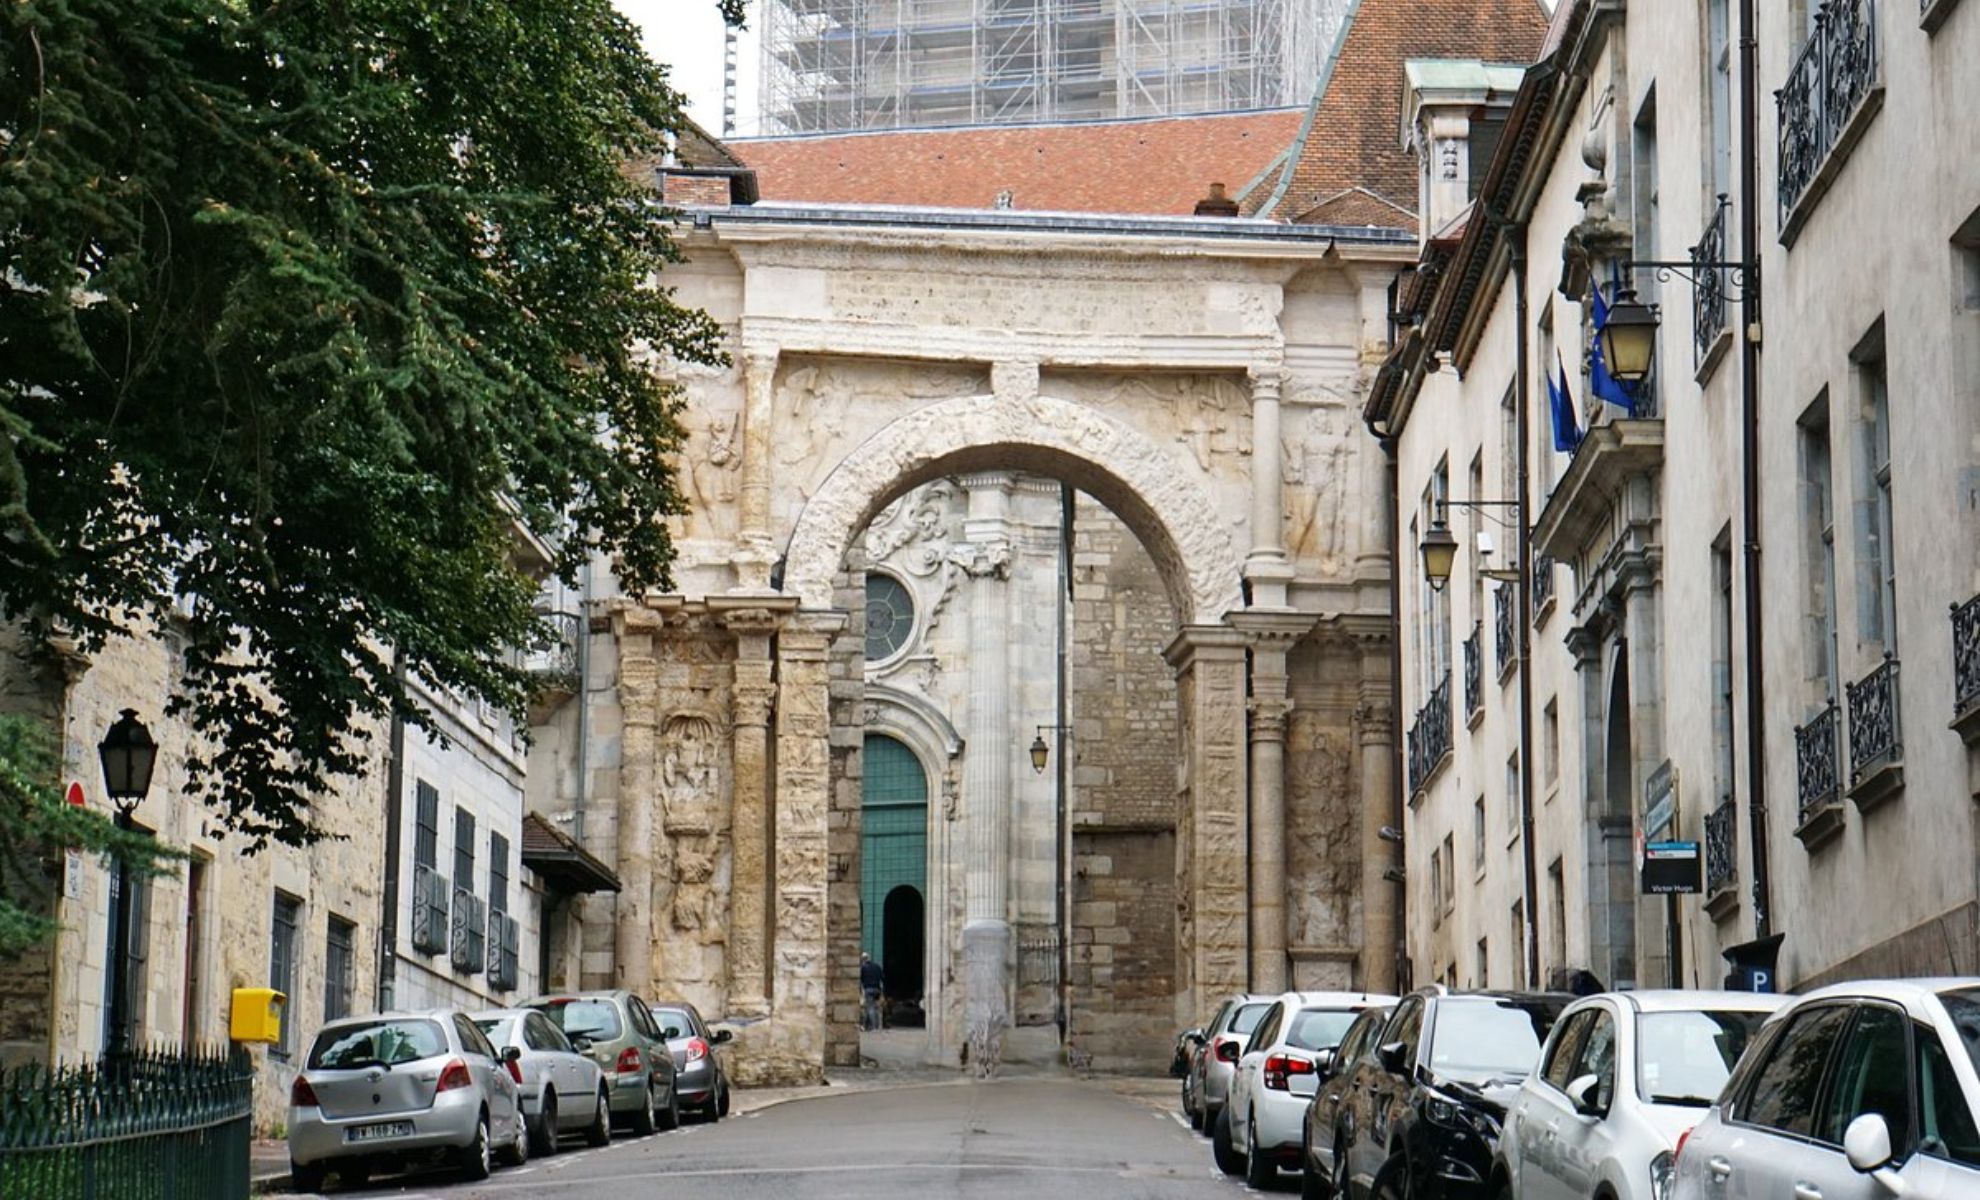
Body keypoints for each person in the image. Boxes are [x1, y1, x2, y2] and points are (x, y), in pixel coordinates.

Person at [860, 952, 885, 1031]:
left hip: (869, 989)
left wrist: (861, 990)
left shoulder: (863, 968)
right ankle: (866, 1026)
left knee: (870, 1007)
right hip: (877, 989)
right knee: (874, 1008)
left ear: (863, 959)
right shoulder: (877, 966)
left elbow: (861, 979)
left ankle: (874, 1027)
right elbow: (882, 978)